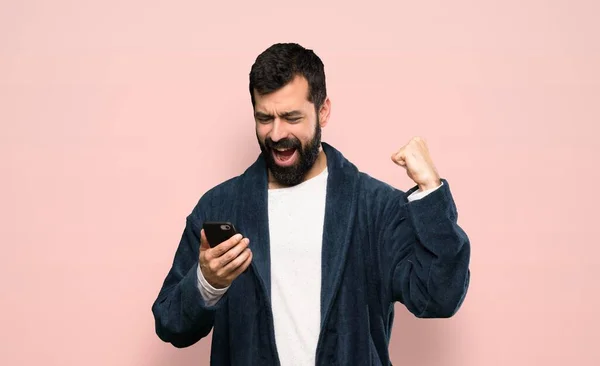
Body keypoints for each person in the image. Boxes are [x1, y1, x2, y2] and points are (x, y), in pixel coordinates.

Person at [151, 43, 471, 365]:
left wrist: (431, 192)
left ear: (323, 111)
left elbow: (438, 297)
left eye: (291, 117)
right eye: (264, 118)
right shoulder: (220, 207)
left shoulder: (374, 207)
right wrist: (208, 283)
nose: (276, 134)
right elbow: (171, 326)